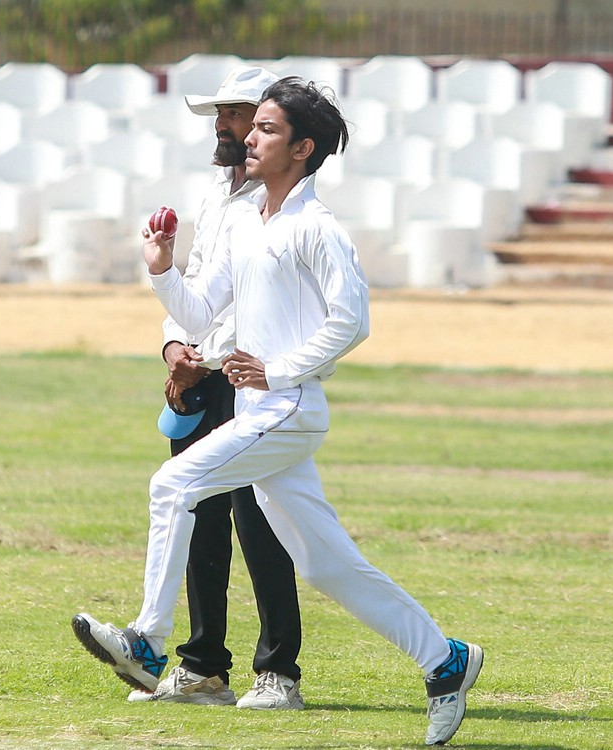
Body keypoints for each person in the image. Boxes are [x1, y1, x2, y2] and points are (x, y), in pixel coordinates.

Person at [72, 77, 483, 746]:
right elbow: (201, 313)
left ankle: (147, 641)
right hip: (260, 412)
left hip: (288, 409)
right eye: (254, 126)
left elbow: (352, 321)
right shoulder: (243, 219)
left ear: (302, 149)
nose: (250, 138)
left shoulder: (317, 228)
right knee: (326, 566)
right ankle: (446, 659)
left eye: (266, 129)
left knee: (172, 484)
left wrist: (280, 369)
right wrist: (162, 268)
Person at [133, 66, 306, 710]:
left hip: (249, 377)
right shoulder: (215, 191)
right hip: (202, 372)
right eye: (221, 114)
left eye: (236, 113)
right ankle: (204, 667)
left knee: (261, 523)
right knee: (197, 518)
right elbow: (200, 283)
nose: (224, 125)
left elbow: (252, 303)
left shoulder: (278, 201)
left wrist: (200, 357)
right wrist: (174, 347)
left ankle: (278, 673)